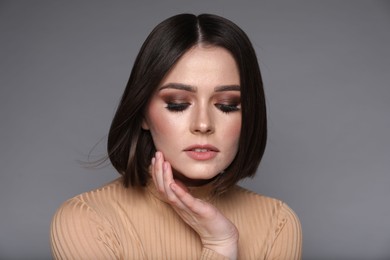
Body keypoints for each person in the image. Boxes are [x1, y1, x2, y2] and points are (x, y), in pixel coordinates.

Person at [50, 13, 302, 259]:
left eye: (226, 105)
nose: (203, 124)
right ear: (143, 114)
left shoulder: (276, 223)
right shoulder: (87, 220)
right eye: (178, 103)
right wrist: (220, 246)